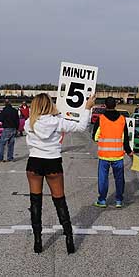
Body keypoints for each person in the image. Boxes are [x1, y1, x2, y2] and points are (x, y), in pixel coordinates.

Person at [25, 93, 95, 254]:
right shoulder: (57, 122)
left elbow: (38, 122)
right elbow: (81, 127)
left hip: (34, 161)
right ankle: (69, 237)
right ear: (50, 105)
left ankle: (37, 241)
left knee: (35, 202)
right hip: (52, 161)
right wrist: (87, 108)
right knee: (60, 200)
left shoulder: (29, 123)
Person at [92, 96, 133, 208]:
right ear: (115, 105)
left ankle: (102, 200)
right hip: (118, 156)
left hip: (104, 155)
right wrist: (129, 151)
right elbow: (125, 139)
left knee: (103, 179)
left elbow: (95, 137)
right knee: (119, 179)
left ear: (105, 106)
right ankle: (119, 200)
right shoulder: (122, 119)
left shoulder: (101, 119)